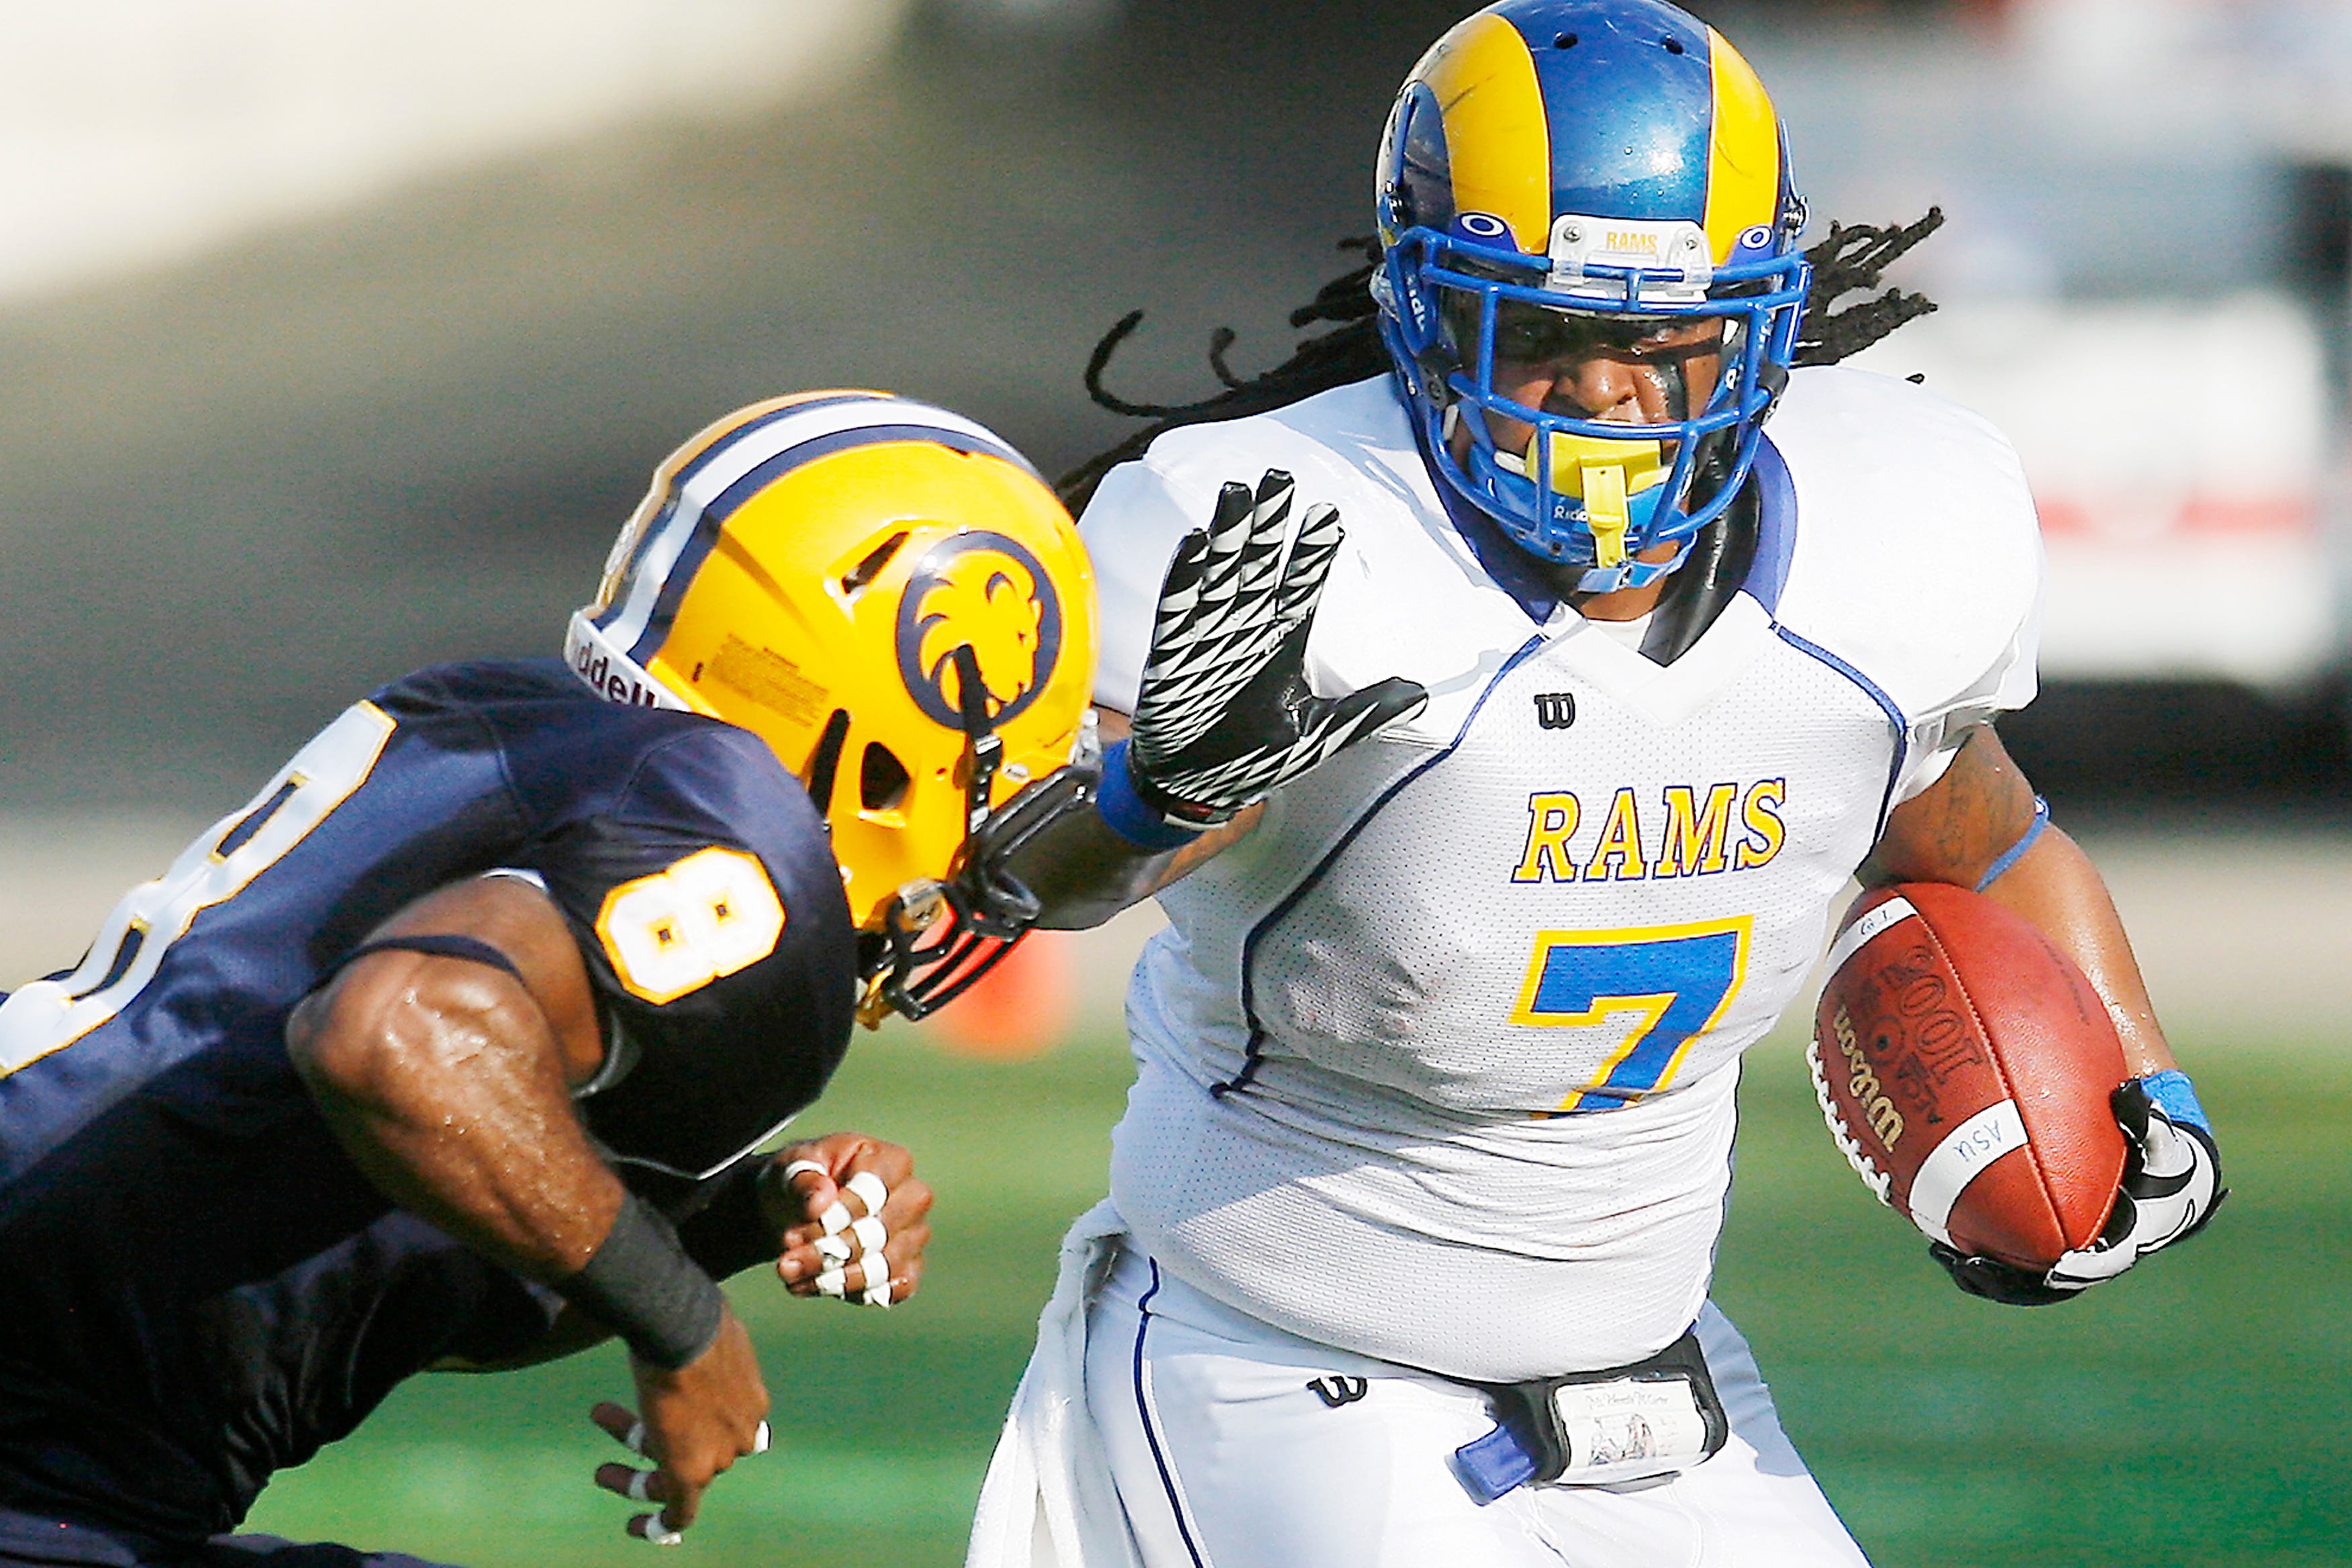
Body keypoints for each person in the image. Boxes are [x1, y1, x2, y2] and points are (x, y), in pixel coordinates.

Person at [963, 3, 2225, 1565]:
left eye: (1663, 339)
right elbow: (1014, 874)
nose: (1611, 392)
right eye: (1548, 337)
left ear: (1756, 328)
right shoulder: (1293, 534)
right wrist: (1152, 798)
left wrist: (2147, 1092)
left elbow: (1986, 841)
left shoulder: (1887, 548)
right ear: (1426, 318)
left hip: (1669, 1388)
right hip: (1281, 1377)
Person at [0, 391, 1100, 1566]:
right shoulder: (727, 827)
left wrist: (733, 1221)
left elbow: (391, 1282)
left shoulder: (510, 727)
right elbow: (394, 1036)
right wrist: (684, 1327)